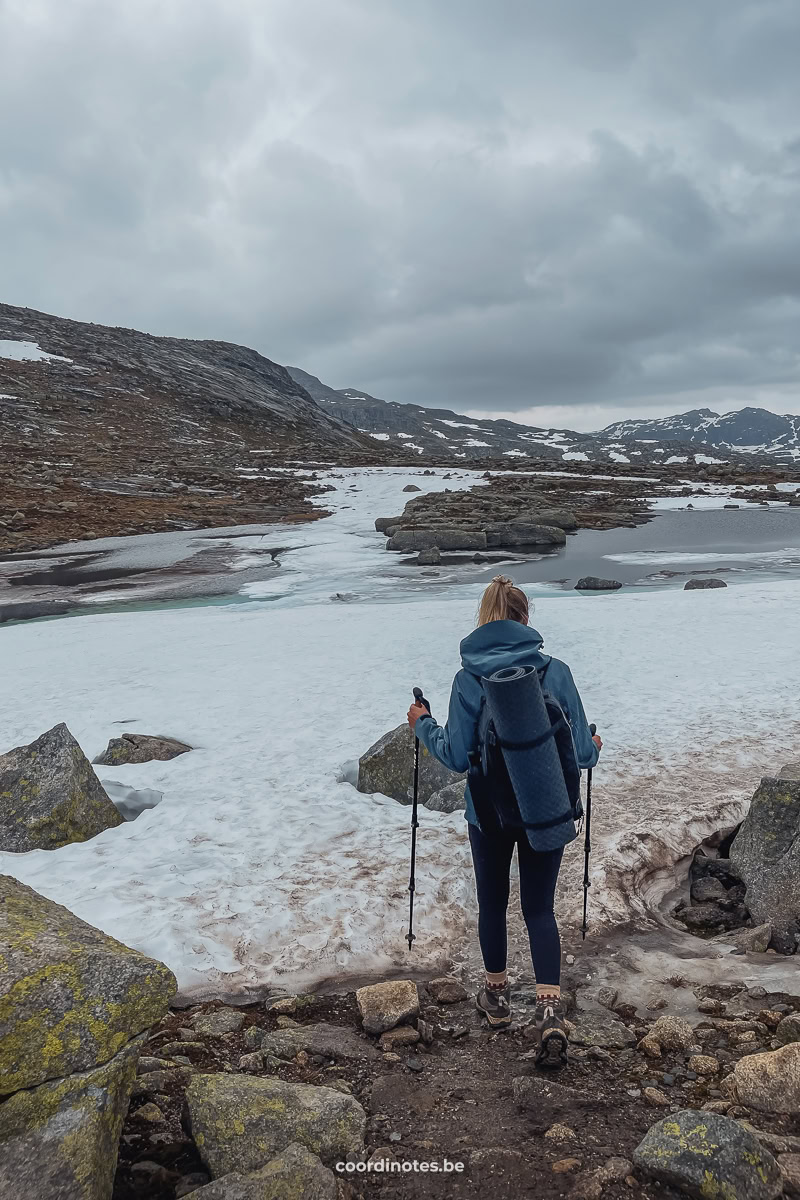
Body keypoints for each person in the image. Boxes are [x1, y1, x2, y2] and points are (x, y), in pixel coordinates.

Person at [407, 575, 601, 1067]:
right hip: (546, 807)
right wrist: (593, 747)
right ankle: (549, 1011)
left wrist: (421, 724)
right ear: (526, 619)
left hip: (487, 811)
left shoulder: (468, 677)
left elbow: (455, 755)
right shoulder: (555, 671)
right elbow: (580, 754)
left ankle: (495, 1001)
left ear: (484, 620)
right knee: (539, 909)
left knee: (492, 905)